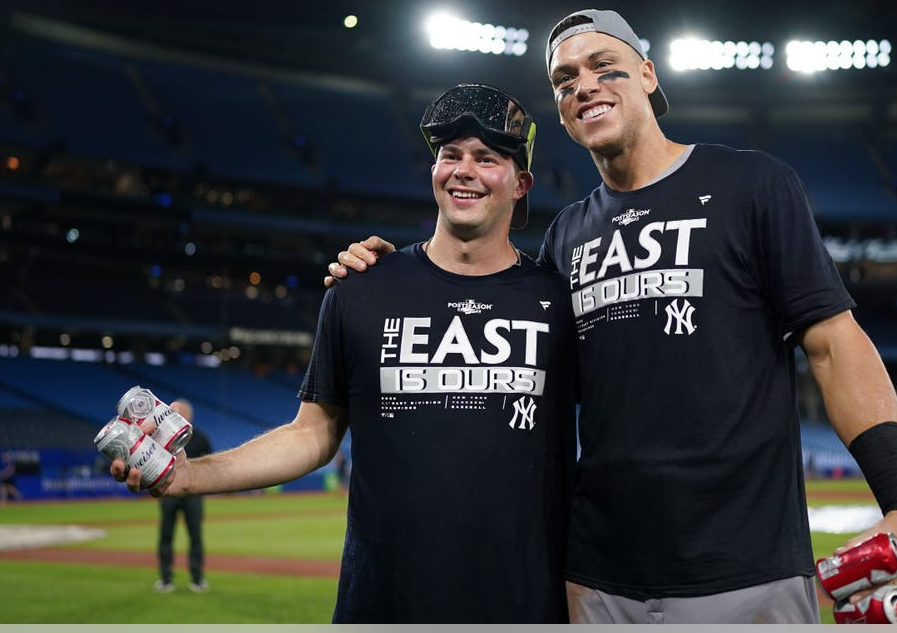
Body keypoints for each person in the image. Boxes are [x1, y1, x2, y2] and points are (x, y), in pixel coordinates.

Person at [327, 9, 897, 624]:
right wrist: (393, 274)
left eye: (603, 67)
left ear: (647, 75)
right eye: (564, 81)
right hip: (599, 582)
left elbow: (835, 346)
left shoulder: (752, 184)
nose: (583, 86)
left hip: (745, 569)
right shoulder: (565, 235)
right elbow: (500, 335)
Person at [115, 83, 577, 623]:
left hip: (522, 608)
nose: (463, 170)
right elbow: (311, 433)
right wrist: (189, 476)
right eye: (449, 155)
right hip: (382, 608)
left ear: (520, 182)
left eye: (486, 158)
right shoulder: (361, 287)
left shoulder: (558, 298)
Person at [154, 399, 213, 593]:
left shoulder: (200, 438)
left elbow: (209, 464)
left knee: (195, 535)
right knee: (166, 535)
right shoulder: (162, 437)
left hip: (193, 494)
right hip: (169, 493)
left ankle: (197, 578)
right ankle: (165, 578)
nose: (181, 417)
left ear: (190, 417)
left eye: (184, 414)